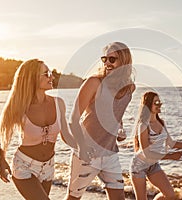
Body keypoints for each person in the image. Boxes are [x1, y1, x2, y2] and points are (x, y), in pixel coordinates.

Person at [0, 59, 76, 200]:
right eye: (46, 74)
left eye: (50, 73)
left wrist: (84, 146)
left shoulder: (59, 103)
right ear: (32, 78)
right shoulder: (19, 106)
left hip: (49, 167)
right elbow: (4, 134)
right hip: (24, 166)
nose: (51, 77)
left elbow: (66, 136)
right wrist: (2, 160)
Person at [66, 42, 136, 200]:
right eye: (104, 59)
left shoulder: (129, 88)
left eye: (112, 59)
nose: (107, 63)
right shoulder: (94, 83)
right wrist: (82, 149)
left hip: (110, 153)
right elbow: (73, 119)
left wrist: (120, 129)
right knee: (73, 198)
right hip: (87, 152)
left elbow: (116, 113)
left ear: (124, 61)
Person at [130, 91, 182, 200]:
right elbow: (147, 153)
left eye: (159, 102)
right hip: (139, 166)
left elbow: (171, 143)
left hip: (153, 165)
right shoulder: (143, 125)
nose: (160, 105)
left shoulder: (162, 123)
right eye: (156, 102)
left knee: (170, 195)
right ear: (148, 105)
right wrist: (170, 156)